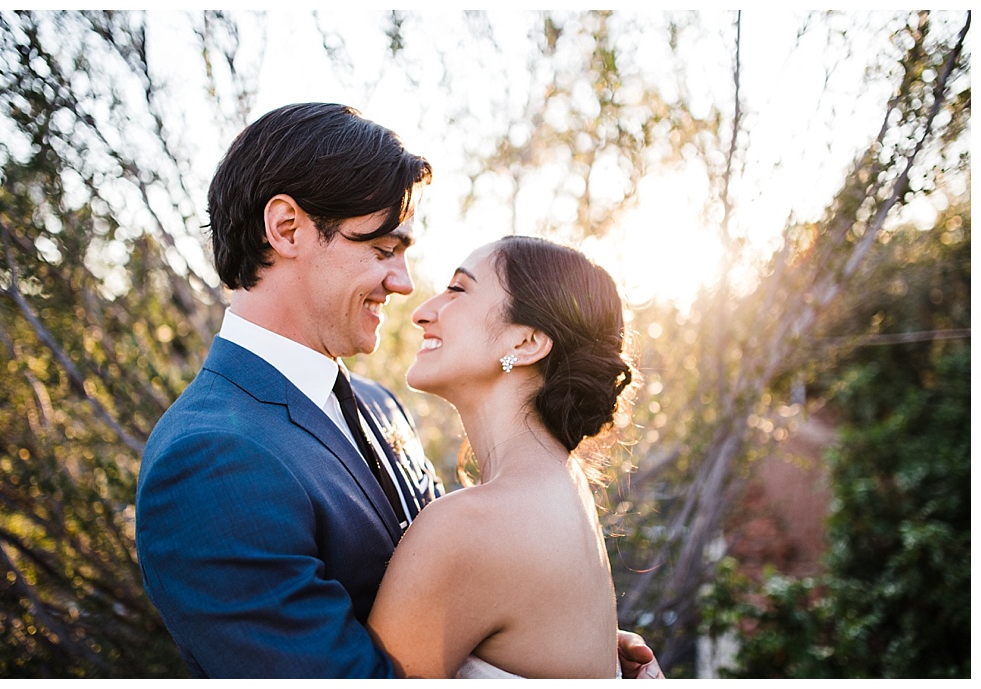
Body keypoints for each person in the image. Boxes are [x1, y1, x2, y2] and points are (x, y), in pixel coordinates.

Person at [134, 102, 662, 678]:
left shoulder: (380, 405)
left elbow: (469, 589)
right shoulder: (209, 457)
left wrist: (553, 640)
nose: (405, 284)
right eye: (384, 249)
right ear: (287, 228)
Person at [366, 236, 651, 678]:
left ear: (527, 342)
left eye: (458, 290)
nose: (423, 311)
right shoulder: (565, 484)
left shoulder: (469, 527)